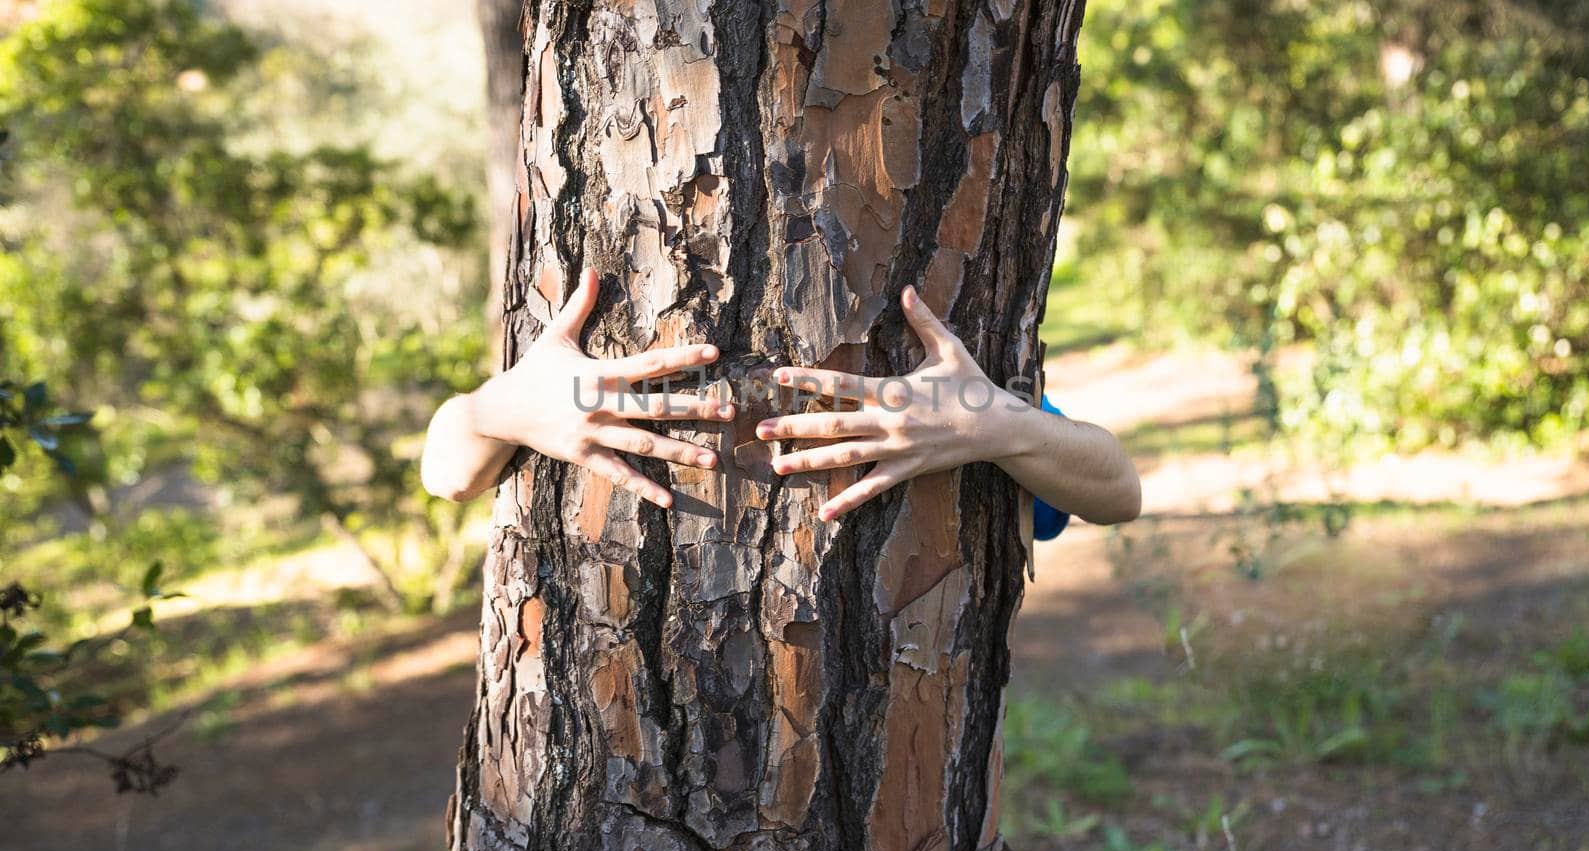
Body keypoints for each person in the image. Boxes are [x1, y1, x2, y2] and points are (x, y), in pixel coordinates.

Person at [421, 267, 1140, 531]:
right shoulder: (540, 395)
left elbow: (1116, 488)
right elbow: (446, 470)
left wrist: (989, 421)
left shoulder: (957, 400)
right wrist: (502, 409)